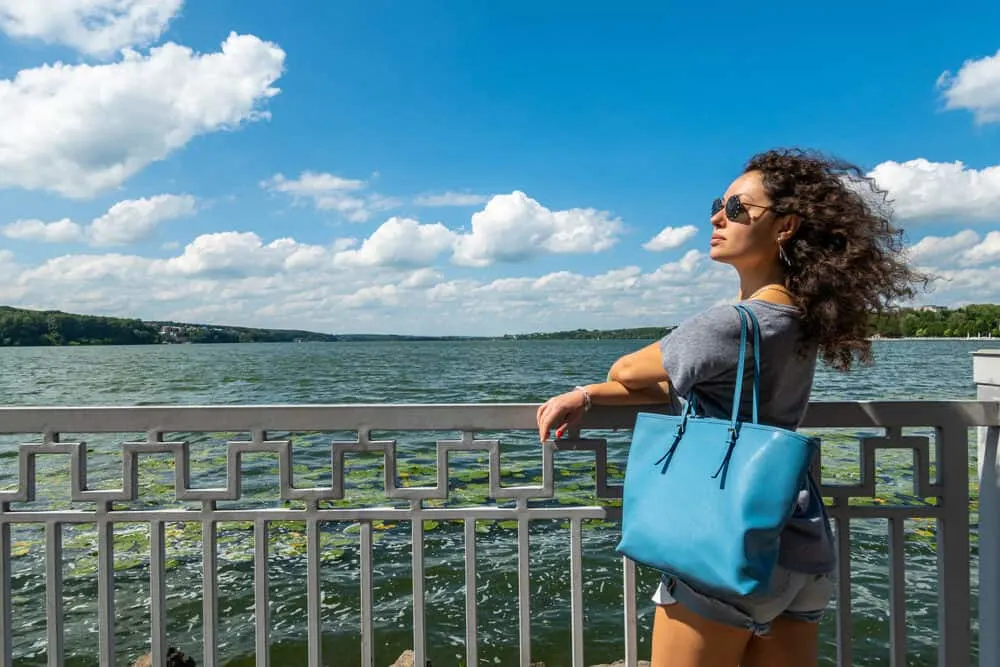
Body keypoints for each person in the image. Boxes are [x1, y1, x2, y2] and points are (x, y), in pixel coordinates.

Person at [535, 148, 925, 667]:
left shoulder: (733, 323)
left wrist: (593, 389)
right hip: (800, 545)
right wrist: (586, 396)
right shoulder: (799, 319)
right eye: (719, 205)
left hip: (726, 543)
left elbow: (627, 372)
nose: (718, 218)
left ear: (785, 226)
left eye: (739, 209)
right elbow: (690, 385)